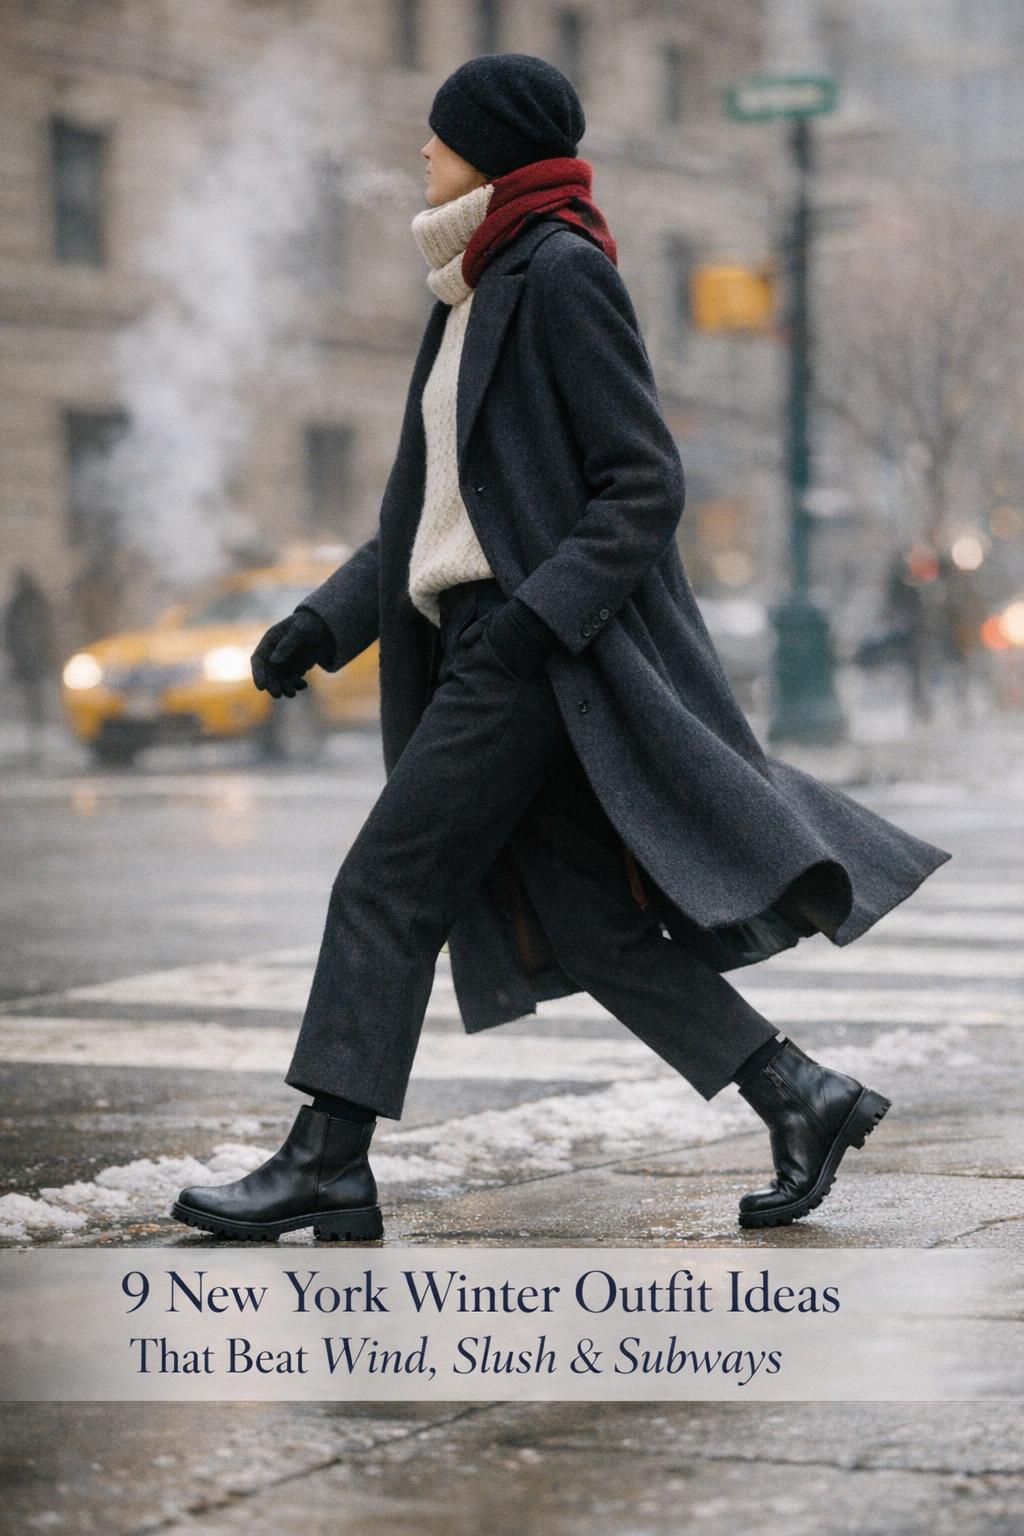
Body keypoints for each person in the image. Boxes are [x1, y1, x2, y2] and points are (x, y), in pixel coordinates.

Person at [172, 54, 952, 1244]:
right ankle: (799, 1093)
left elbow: (642, 485)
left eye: (437, 141)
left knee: (387, 884)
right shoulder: (471, 289)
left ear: (485, 151)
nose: (419, 159)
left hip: (528, 650)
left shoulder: (561, 273)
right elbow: (434, 512)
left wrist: (534, 623)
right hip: (491, 639)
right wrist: (319, 625)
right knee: (588, 924)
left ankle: (328, 1159)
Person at [3, 568, 58, 767]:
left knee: (36, 701)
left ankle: (38, 739)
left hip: (33, 660)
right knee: (34, 702)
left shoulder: (25, 605)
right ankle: (36, 739)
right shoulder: (26, 604)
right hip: (31, 660)